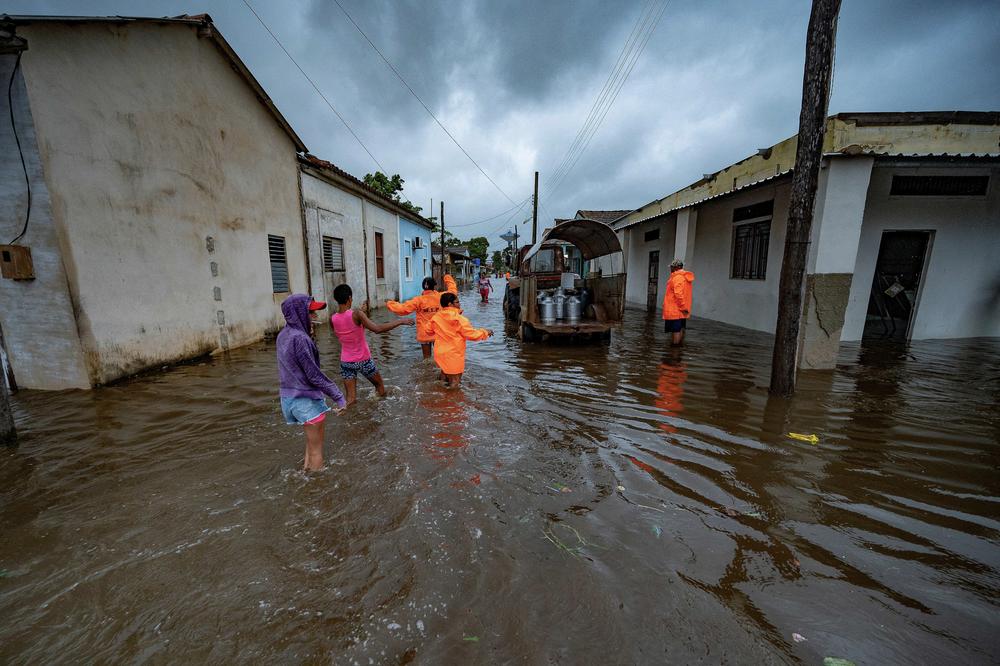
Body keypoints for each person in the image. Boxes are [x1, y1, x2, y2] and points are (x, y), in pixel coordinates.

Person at [277, 294, 346, 471]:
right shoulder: (301, 339)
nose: (315, 316)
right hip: (305, 400)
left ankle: (305, 474)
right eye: (311, 312)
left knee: (310, 446)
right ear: (299, 313)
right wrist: (338, 397)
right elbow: (314, 375)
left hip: (288, 399)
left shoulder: (283, 335)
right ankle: (318, 489)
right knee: (317, 451)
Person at [332, 284, 413, 405]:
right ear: (349, 298)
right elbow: (377, 329)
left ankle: (344, 415)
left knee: (350, 399)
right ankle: (379, 412)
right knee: (380, 387)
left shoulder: (332, 318)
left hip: (346, 362)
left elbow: (346, 327)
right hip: (362, 360)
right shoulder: (357, 314)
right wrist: (401, 321)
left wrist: (361, 314)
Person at [385, 274, 457, 359]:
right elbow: (453, 292)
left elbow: (402, 309)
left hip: (425, 333)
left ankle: (426, 371)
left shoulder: (418, 300)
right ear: (434, 286)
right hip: (439, 332)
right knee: (441, 358)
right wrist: (447, 277)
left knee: (426, 359)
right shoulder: (441, 297)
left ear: (423, 287)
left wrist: (389, 303)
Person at [429, 292, 493, 387]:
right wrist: (485, 332)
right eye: (457, 302)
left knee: (444, 375)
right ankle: (453, 399)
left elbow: (428, 330)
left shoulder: (436, 317)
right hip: (453, 354)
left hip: (440, 353)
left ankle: (440, 397)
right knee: (455, 382)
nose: (460, 304)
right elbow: (472, 335)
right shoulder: (459, 319)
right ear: (450, 304)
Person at [662, 259, 695, 346]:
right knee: (679, 328)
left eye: (671, 267)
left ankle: (674, 350)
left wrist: (682, 307)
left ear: (676, 267)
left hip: (675, 310)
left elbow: (678, 294)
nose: (670, 269)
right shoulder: (683, 277)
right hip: (680, 310)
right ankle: (677, 350)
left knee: (676, 330)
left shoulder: (678, 278)